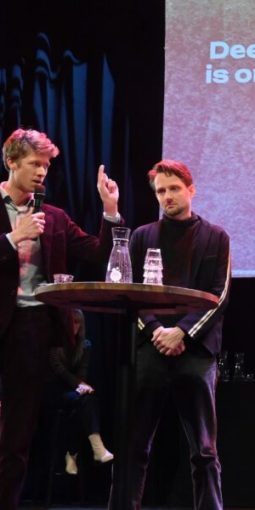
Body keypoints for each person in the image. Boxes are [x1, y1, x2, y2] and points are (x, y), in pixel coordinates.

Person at [0, 128, 121, 509]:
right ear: (11, 162)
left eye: (46, 165)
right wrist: (11, 239)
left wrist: (110, 210)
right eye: (34, 163)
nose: (41, 172)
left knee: (17, 433)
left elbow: (97, 252)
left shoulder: (52, 217)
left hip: (32, 328)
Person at [107, 159, 230, 510]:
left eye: (174, 188)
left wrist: (182, 333)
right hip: (151, 347)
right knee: (132, 445)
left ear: (191, 190)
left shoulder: (216, 236)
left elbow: (219, 294)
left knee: (204, 450)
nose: (167, 196)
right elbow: (130, 292)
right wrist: (158, 330)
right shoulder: (142, 235)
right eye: (161, 191)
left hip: (197, 351)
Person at [48, 308, 113, 475]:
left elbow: (83, 370)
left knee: (86, 402)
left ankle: (76, 453)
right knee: (84, 403)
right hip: (53, 389)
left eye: (77, 322)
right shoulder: (54, 342)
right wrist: (80, 385)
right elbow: (58, 369)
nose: (74, 326)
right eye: (71, 322)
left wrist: (81, 386)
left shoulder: (85, 345)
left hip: (72, 391)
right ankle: (83, 451)